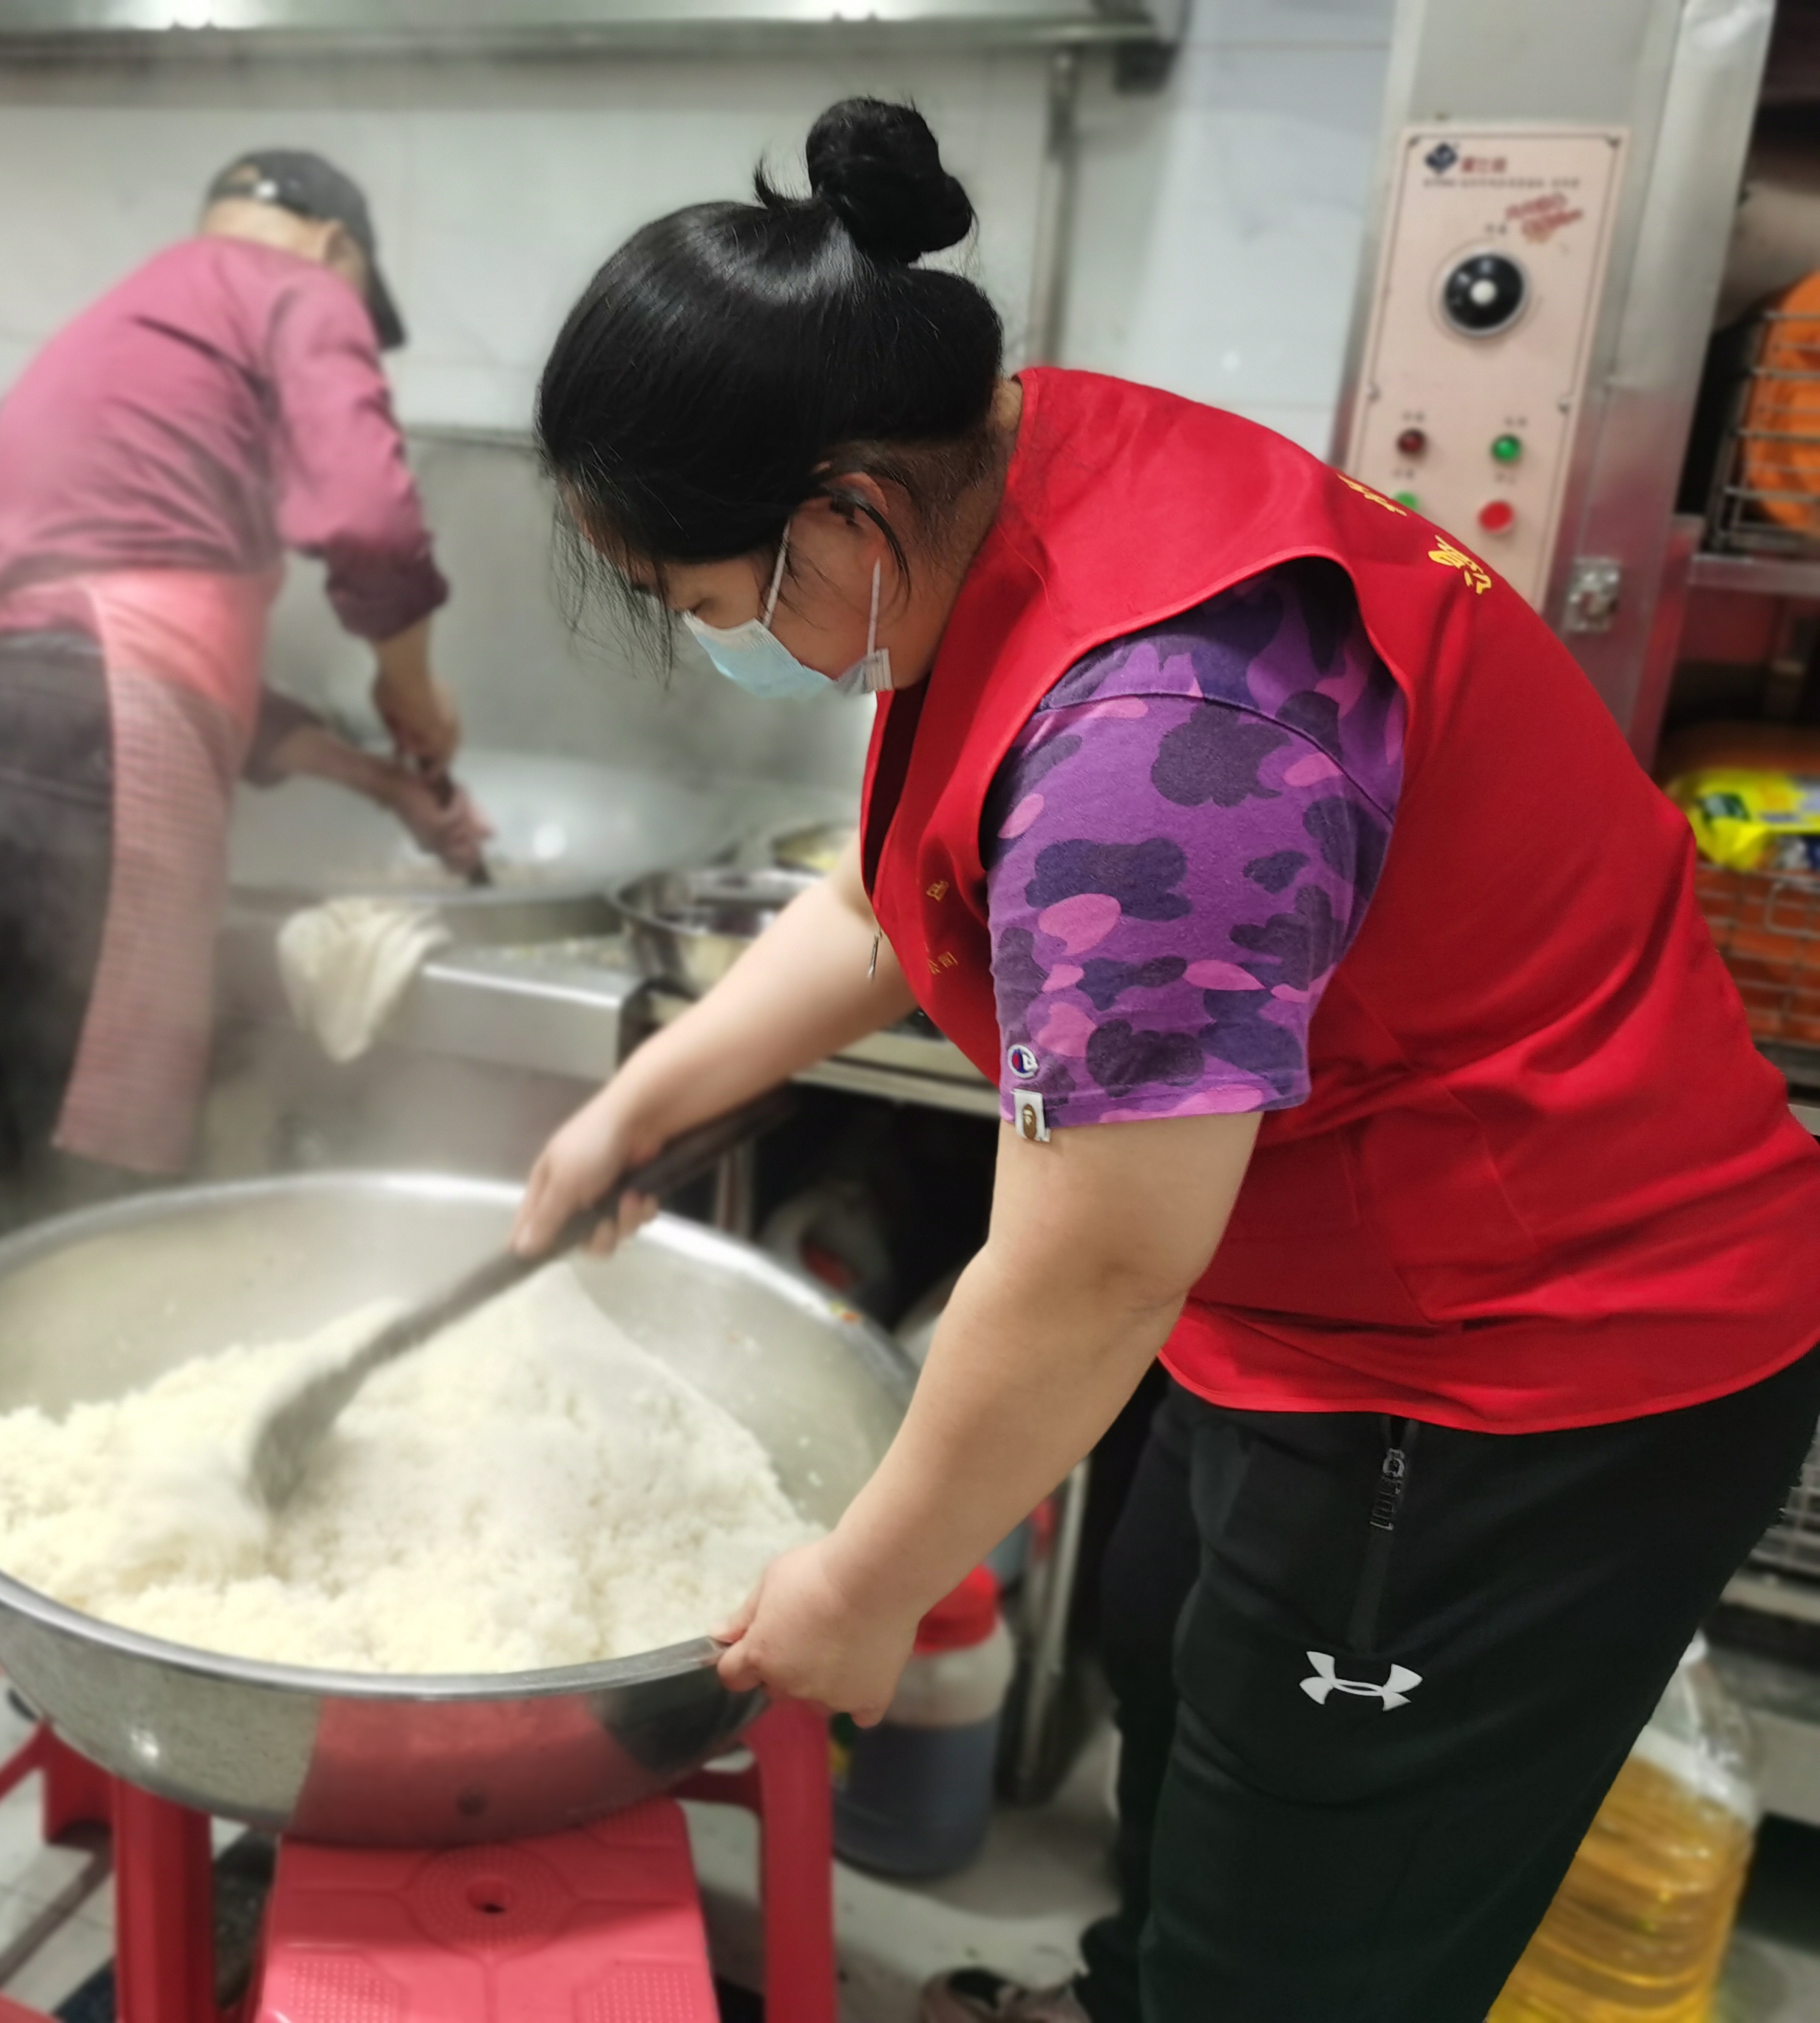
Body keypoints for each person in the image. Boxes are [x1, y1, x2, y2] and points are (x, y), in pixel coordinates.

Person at [515, 98, 1820, 2023]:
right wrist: (647, 1100)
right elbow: (900, 890)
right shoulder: (1006, 464)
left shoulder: (1162, 735)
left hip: (1519, 1364)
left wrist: (866, 1589)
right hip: (1308, 1294)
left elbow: (1096, 1264)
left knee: (1309, 1917)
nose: (729, 646)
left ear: (843, 515)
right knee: (1182, 1691)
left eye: (718, 608)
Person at [0, 147, 489, 1261]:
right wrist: (409, 685)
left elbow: (127, 655)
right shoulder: (300, 286)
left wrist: (381, 782)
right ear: (336, 246)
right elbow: (369, 525)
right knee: (99, 1204)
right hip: (88, 761)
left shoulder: (120, 320)